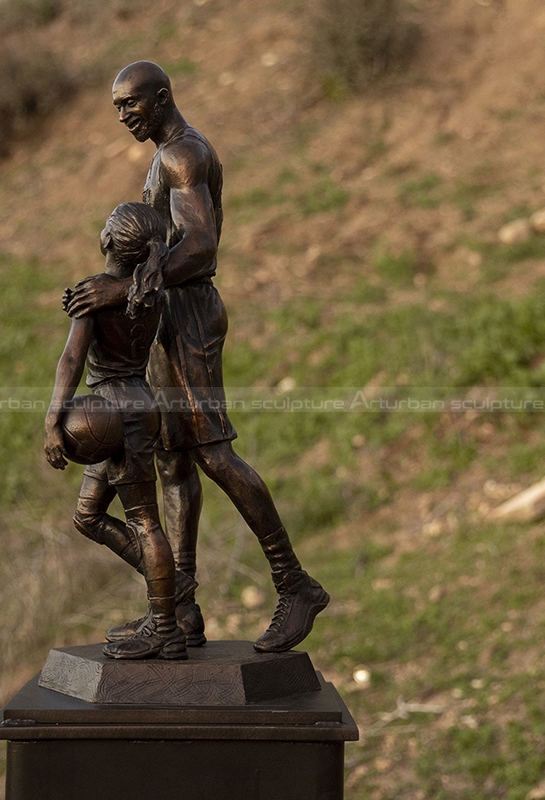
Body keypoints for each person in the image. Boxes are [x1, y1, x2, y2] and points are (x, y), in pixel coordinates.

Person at [65, 61, 329, 653]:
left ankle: (295, 582)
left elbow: (202, 245)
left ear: (162, 99)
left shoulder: (184, 156)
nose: (124, 115)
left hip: (188, 317)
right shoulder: (165, 158)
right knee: (172, 462)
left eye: (131, 104)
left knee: (212, 453)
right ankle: (180, 607)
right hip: (166, 317)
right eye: (116, 108)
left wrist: (120, 289)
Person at [45, 202, 187, 660]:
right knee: (87, 517)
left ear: (108, 241)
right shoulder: (148, 292)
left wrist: (52, 419)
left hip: (115, 410)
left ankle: (166, 626)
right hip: (138, 403)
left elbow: (70, 359)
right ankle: (170, 586)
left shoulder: (95, 292)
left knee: (143, 520)